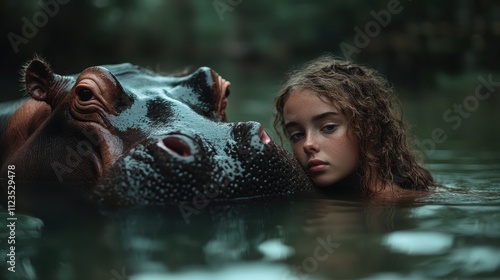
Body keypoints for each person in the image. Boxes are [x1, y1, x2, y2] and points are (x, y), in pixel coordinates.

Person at [273, 54, 440, 200]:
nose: (308, 144)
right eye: (297, 135)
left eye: (329, 127)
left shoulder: (407, 202)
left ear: (369, 128)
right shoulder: (304, 198)